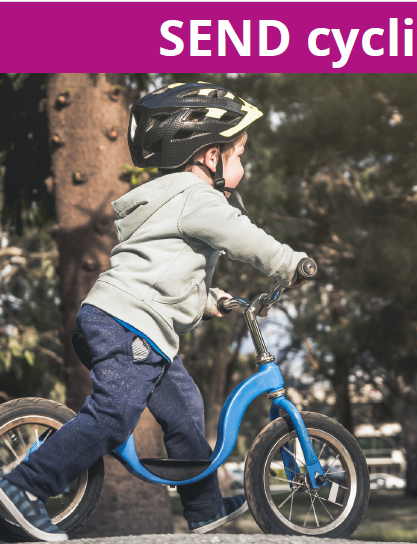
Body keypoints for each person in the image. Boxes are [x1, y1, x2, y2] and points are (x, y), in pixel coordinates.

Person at [0, 82, 308, 541]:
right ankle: (24, 485)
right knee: (115, 412)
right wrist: (290, 262)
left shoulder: (169, 202)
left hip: (133, 321)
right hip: (128, 324)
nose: (242, 164)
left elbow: (164, 273)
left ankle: (203, 508)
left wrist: (211, 300)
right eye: (239, 153)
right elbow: (244, 237)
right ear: (210, 156)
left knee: (184, 412)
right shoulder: (197, 198)